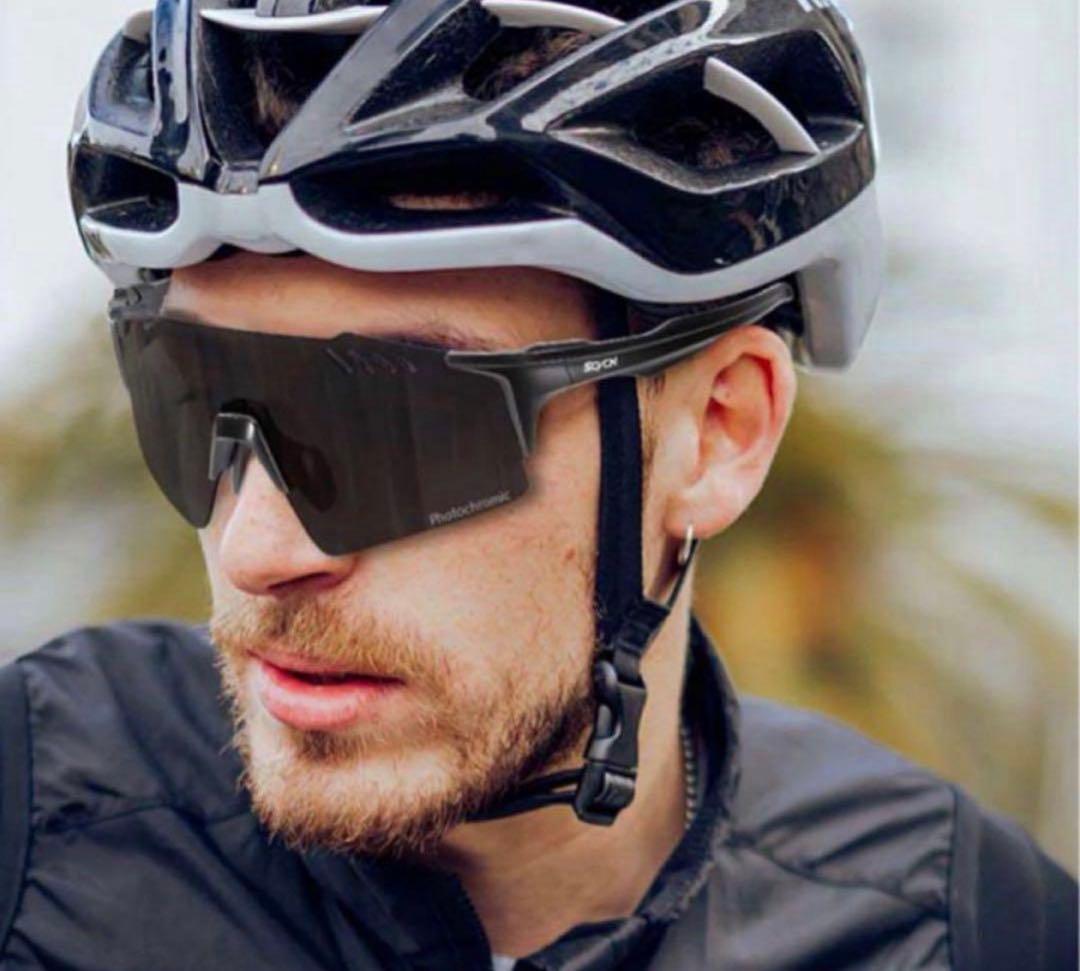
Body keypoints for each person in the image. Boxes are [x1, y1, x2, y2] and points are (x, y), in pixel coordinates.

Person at [0, 0, 1075, 968]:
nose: (258, 547)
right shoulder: (30, 827)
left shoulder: (971, 932)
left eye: (404, 424)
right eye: (192, 396)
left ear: (718, 433)